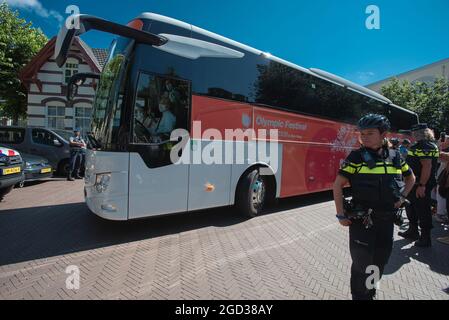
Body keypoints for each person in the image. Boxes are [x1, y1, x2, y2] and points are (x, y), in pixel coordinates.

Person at [333, 114, 416, 300]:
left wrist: (402, 197)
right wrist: (340, 215)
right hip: (362, 221)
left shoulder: (395, 156)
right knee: (362, 263)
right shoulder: (356, 157)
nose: (365, 137)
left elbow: (411, 178)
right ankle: (359, 296)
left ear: (383, 134)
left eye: (370, 133)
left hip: (386, 221)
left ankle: (370, 293)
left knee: (380, 262)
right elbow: (337, 185)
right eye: (362, 134)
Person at [399, 124, 440, 247]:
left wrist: (422, 185)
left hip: (419, 184)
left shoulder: (424, 146)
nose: (412, 134)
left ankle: (425, 238)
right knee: (411, 206)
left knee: (422, 209)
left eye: (414, 132)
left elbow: (427, 167)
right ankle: (413, 231)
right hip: (415, 183)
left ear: (420, 133)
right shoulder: (427, 145)